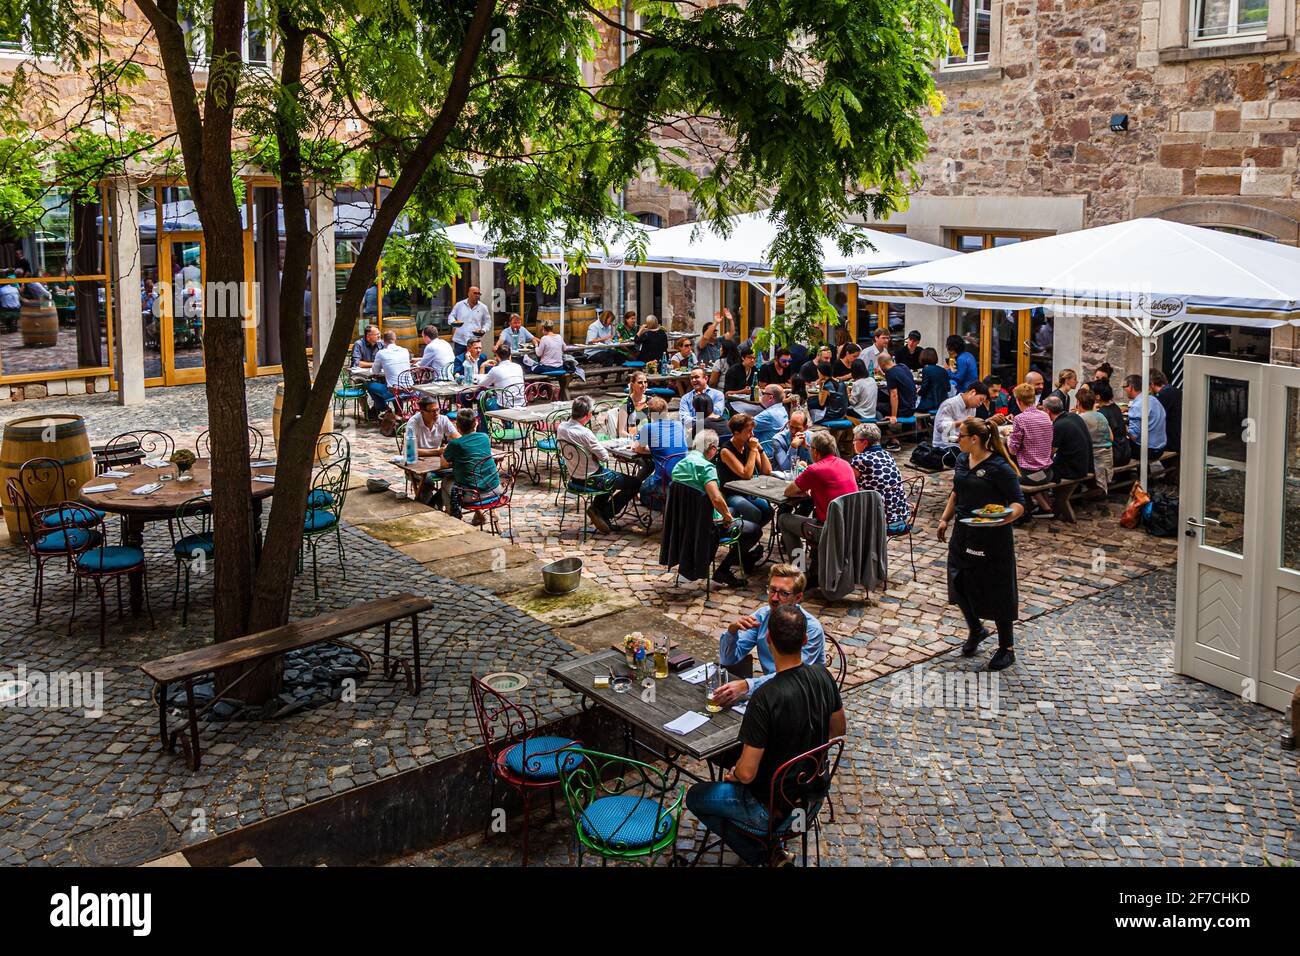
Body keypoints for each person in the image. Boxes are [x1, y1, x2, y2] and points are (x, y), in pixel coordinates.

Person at [686, 603, 845, 867]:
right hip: (811, 799)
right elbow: (838, 730)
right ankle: (774, 853)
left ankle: (763, 857)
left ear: (768, 639)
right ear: (804, 640)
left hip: (773, 811)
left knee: (696, 796)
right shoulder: (822, 675)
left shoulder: (764, 697)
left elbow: (747, 773)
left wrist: (734, 774)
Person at [936, 418, 1025, 671]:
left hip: (992, 535)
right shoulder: (963, 460)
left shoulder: (999, 467)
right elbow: (956, 492)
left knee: (997, 587)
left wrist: (1003, 519)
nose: (957, 439)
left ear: (974, 439)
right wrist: (944, 519)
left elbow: (1018, 502)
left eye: (960, 436)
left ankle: (1006, 647)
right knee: (958, 580)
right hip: (963, 531)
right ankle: (976, 628)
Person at [713, 565, 827, 703]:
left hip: (805, 696)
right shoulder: (762, 616)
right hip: (773, 691)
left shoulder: (811, 629)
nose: (774, 598)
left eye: (783, 593)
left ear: (798, 598)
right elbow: (728, 660)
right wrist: (732, 632)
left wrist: (747, 685)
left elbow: (793, 675)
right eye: (772, 590)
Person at [671, 429, 761, 586]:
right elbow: (716, 498)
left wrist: (727, 512)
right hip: (705, 525)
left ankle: (740, 558)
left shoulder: (680, 464)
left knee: (735, 509)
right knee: (754, 530)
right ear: (712, 448)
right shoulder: (706, 468)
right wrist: (726, 517)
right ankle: (724, 571)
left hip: (684, 521)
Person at [556, 396, 642, 533]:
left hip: (573, 476)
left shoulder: (561, 427)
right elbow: (605, 456)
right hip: (592, 479)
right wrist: (594, 453)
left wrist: (591, 453)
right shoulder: (585, 433)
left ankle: (597, 508)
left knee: (610, 477)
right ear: (588, 415)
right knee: (635, 483)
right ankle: (604, 513)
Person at [778, 431, 857, 558]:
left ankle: (799, 569)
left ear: (815, 452)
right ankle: (815, 564)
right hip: (851, 526)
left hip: (828, 529)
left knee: (783, 520)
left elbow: (788, 491)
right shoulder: (845, 464)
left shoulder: (814, 470)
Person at [717, 413, 775, 534]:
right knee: (755, 513)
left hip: (748, 491)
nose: (752, 435)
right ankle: (747, 535)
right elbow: (746, 474)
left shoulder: (749, 446)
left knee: (769, 511)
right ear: (737, 433)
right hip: (731, 494)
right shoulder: (726, 451)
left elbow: (767, 471)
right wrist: (753, 450)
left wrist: (760, 449)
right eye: (748, 431)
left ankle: (749, 535)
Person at [439, 408, 501, 520]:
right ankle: (480, 516)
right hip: (495, 489)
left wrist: (444, 450)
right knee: (471, 479)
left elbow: (444, 464)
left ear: (457, 426)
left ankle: (453, 519)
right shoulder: (485, 437)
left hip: (473, 496)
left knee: (446, 482)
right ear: (476, 423)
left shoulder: (455, 444)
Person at [850, 423, 911, 529]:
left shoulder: (860, 460)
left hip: (880, 520)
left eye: (855, 440)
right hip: (901, 515)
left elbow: (850, 484)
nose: (853, 443)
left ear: (864, 442)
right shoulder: (887, 455)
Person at [1006, 381, 1055, 513]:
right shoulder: (1045, 415)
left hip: (1030, 476)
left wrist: (1009, 437)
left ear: (1018, 400)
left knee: (1005, 475)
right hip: (1048, 472)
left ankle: (1022, 511)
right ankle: (1045, 507)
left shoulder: (1020, 419)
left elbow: (1012, 450)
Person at [408, 396, 461, 506]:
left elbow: (458, 438)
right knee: (427, 482)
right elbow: (410, 451)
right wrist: (437, 451)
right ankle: (424, 508)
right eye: (432, 411)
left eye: (437, 410)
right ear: (422, 412)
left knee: (460, 475)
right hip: (417, 463)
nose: (436, 413)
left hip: (437, 462)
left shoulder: (443, 419)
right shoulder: (413, 423)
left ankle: (435, 503)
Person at [1043, 395, 1093, 488]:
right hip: (1085, 465)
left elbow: (1050, 453)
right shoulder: (1074, 416)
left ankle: (1047, 500)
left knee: (1038, 475)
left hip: (1072, 470)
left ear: (1047, 411)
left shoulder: (1058, 425)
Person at [1075, 385, 1114, 494]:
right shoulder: (1101, 415)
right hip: (1107, 458)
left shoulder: (1080, 419)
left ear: (1078, 403)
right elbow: (1111, 438)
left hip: (1092, 461)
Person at [366, 330, 412, 416]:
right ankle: (397, 412)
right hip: (409, 389)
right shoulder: (405, 351)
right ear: (395, 339)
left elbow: (375, 371)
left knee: (369, 385)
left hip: (394, 391)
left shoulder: (381, 353)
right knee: (392, 384)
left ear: (384, 341)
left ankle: (385, 409)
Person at [933, 381, 989, 448]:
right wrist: (963, 422)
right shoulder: (950, 404)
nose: (980, 404)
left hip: (960, 443)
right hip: (944, 447)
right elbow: (941, 427)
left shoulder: (972, 408)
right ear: (972, 392)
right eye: (980, 399)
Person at [879, 353, 917, 451]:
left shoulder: (890, 373)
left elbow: (894, 395)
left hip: (903, 410)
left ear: (882, 365)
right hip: (912, 407)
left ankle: (891, 438)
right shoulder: (903, 367)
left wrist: (894, 416)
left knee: (874, 407)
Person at [1123, 373, 1167, 458]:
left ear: (1131, 387)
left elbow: (1133, 436)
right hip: (1161, 447)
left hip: (1148, 450)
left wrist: (1122, 426)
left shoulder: (1137, 405)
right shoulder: (1154, 399)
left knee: (1117, 447)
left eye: (1125, 386)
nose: (1124, 389)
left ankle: (1126, 472)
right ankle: (1144, 471)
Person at [1093, 379, 1132, 468]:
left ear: (1098, 397)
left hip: (1114, 457)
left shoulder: (1101, 413)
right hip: (1125, 453)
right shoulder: (1116, 408)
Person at [475, 342, 526, 409]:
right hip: (521, 403)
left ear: (497, 356)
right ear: (510, 356)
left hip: (504, 406)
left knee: (482, 396)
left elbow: (482, 385)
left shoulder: (495, 370)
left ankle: (485, 419)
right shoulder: (518, 367)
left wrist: (482, 366)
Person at [449, 286, 493, 357]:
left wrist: (483, 330)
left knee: (474, 363)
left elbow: (488, 322)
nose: (477, 295)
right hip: (460, 340)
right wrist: (453, 322)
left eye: (479, 293)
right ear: (468, 294)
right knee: (459, 363)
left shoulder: (483, 307)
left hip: (474, 342)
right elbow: (451, 316)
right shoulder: (459, 305)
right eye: (475, 293)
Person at [769, 410, 812, 474]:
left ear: (805, 428)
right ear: (788, 423)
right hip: (782, 480)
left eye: (797, 428)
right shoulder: (777, 440)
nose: (793, 431)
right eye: (791, 427)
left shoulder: (812, 437)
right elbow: (787, 468)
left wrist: (806, 447)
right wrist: (793, 447)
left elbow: (817, 463)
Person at [1150, 368, 1182, 455]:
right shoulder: (1176, 391)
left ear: (1152, 385)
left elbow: (1152, 416)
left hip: (1171, 440)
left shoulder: (1163, 395)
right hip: (1180, 436)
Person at [723, 345, 761, 415]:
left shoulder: (754, 370)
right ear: (743, 358)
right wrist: (743, 391)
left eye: (754, 358)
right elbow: (727, 394)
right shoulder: (734, 370)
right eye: (749, 357)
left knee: (762, 410)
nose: (752, 360)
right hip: (734, 402)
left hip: (749, 401)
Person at [807, 361, 849, 425]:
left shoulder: (827, 386)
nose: (818, 374)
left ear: (822, 372)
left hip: (832, 415)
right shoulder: (841, 382)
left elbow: (821, 403)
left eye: (818, 372)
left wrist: (821, 385)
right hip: (843, 413)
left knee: (810, 404)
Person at [752, 384, 789, 452]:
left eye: (763, 393)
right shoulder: (782, 409)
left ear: (770, 398)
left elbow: (745, 425)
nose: (761, 396)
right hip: (777, 450)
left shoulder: (768, 414)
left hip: (764, 453)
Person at [916, 347, 950, 414]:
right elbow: (948, 388)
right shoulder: (943, 370)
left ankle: (919, 424)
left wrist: (918, 391)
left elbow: (924, 389)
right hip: (943, 403)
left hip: (930, 404)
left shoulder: (926, 369)